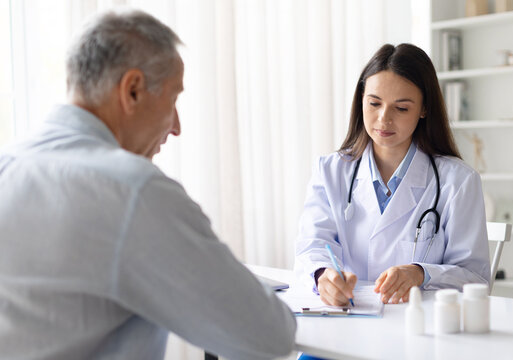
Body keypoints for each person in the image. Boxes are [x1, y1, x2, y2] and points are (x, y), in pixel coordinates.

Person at [0, 9, 296, 360]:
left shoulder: (9, 166)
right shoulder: (132, 191)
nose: (177, 126)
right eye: (174, 99)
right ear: (133, 90)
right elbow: (268, 334)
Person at [295, 43, 490, 307]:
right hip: (346, 321)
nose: (383, 119)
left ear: (424, 109)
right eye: (374, 103)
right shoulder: (330, 171)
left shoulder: (458, 181)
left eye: (401, 108)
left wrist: (421, 273)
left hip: (419, 329)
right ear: (361, 100)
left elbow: (476, 279)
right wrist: (323, 275)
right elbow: (312, 246)